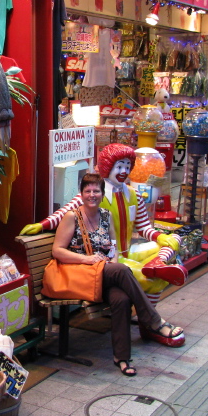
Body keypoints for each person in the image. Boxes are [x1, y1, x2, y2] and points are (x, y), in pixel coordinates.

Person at [51, 173, 184, 377]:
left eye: (96, 191)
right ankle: (153, 320)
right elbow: (57, 250)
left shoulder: (106, 215)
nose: (92, 195)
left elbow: (113, 248)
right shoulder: (72, 217)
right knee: (122, 270)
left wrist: (111, 266)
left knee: (121, 299)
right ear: (82, 194)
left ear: (102, 194)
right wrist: (87, 259)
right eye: (88, 191)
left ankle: (122, 358)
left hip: (104, 274)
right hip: (82, 275)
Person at [22, 144, 187, 304]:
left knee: (174, 240)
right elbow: (66, 211)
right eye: (119, 166)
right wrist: (43, 225)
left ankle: (157, 264)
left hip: (129, 251)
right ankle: (149, 318)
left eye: (127, 166)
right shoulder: (96, 194)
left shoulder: (134, 194)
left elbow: (144, 227)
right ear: (108, 166)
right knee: (152, 280)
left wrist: (160, 236)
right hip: (109, 260)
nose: (124, 171)